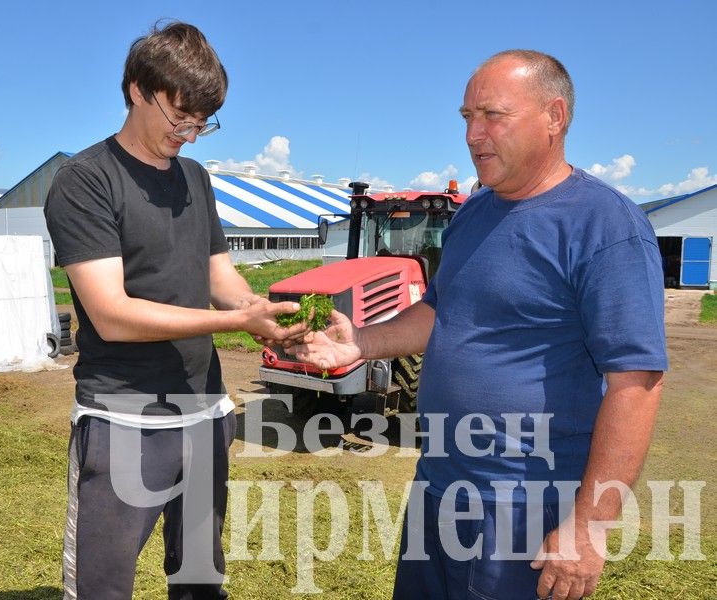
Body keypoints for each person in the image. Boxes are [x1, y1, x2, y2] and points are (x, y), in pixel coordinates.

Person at [288, 50, 666, 600]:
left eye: (492, 115)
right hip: (439, 485)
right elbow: (441, 312)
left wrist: (588, 526)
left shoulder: (605, 225)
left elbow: (637, 383)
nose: (473, 133)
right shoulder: (474, 212)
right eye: (466, 116)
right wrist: (360, 344)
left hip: (524, 506)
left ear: (554, 117)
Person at [44, 21, 307, 600]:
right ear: (138, 89)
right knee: (101, 586)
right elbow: (111, 314)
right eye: (179, 117)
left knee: (199, 578)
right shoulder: (85, 181)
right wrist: (234, 322)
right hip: (124, 418)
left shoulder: (195, 179)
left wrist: (260, 308)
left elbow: (218, 274)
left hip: (204, 412)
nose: (189, 135)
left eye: (202, 123)